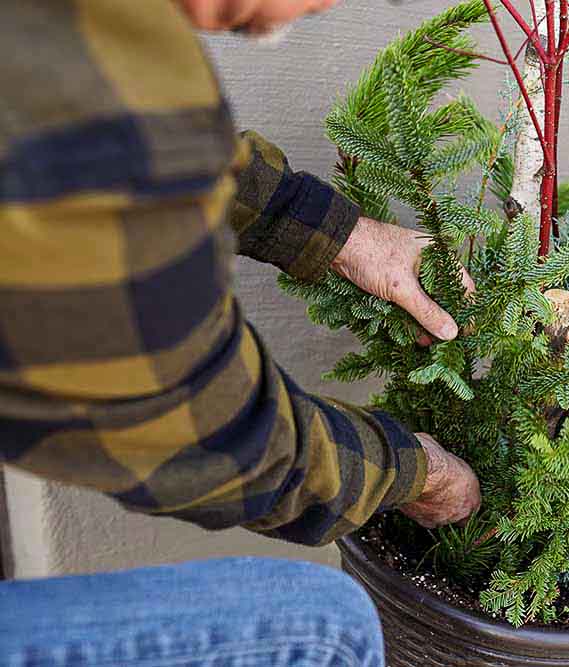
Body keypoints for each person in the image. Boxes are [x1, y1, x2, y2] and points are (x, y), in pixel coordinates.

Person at [0, 1, 481, 664]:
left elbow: (145, 143)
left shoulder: (86, 37)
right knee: (326, 628)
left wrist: (344, 235)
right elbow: (226, 446)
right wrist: (417, 470)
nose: (322, 7)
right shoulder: (102, 116)